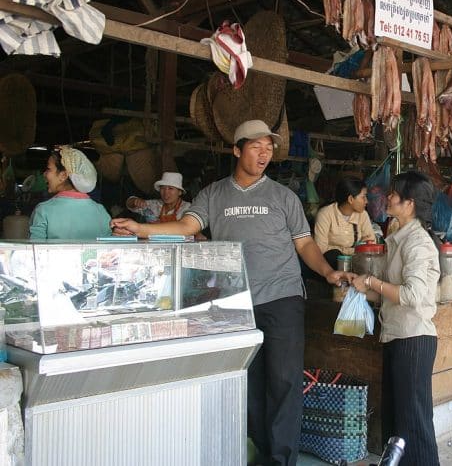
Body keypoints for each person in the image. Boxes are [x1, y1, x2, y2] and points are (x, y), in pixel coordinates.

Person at [111, 120, 350, 466]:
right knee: (248, 381)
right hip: (235, 303)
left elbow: (305, 243)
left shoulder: (283, 197)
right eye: (256, 146)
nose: (264, 153)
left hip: (282, 297)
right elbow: (186, 227)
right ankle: (261, 451)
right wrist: (140, 229)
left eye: (268, 147)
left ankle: (282, 460)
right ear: (237, 150)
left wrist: (327, 271)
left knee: (284, 380)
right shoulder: (213, 194)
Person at [349, 171, 440, 466]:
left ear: (409, 203)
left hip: (414, 339)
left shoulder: (417, 243)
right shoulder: (397, 239)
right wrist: (360, 286)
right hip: (397, 336)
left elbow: (411, 295)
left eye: (393, 195)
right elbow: (391, 293)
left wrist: (373, 284)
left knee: (414, 423)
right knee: (397, 423)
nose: (387, 198)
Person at [29, 145, 111, 239]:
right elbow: (107, 250)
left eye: (48, 169)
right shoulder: (101, 211)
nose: (44, 174)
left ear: (63, 175)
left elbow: (35, 249)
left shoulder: (43, 210)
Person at [313, 177, 376, 266]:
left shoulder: (363, 214)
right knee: (333, 255)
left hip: (356, 261)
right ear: (350, 199)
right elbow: (321, 249)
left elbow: (370, 242)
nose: (366, 201)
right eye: (363, 197)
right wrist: (354, 250)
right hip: (331, 264)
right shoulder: (325, 214)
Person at [125, 172, 190, 222]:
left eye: (170, 188)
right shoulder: (155, 205)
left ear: (180, 192)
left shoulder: (188, 208)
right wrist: (134, 201)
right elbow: (129, 204)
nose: (165, 192)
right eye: (162, 188)